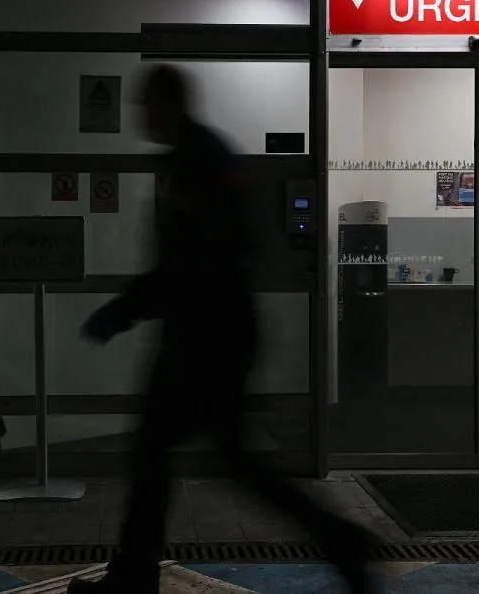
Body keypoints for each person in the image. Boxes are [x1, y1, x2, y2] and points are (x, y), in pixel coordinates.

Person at [68, 65, 372, 594]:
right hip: (212, 330)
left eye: (146, 105)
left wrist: (128, 307)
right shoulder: (199, 154)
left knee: (158, 451)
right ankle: (339, 538)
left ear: (168, 103)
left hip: (204, 337)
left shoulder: (196, 159)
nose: (140, 115)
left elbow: (196, 257)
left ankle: (135, 576)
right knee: (222, 458)